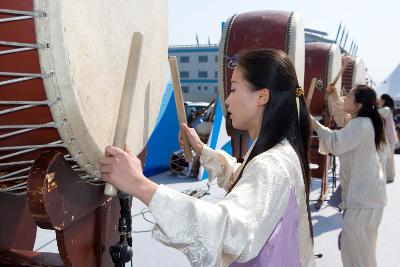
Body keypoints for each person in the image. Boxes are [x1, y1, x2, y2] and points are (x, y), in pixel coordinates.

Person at [100, 48, 315, 266]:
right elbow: (244, 179)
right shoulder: (281, 152)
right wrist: (202, 150)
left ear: (262, 96)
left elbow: (226, 230)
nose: (227, 100)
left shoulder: (271, 165)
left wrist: (139, 184)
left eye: (233, 89)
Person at [311, 84, 387, 267]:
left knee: (356, 255)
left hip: (364, 200)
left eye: (349, 96)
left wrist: (311, 122)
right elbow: (340, 116)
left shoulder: (360, 124)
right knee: (361, 252)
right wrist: (334, 95)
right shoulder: (363, 122)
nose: (345, 98)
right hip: (369, 198)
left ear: (359, 105)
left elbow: (335, 142)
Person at [378, 93, 398, 182]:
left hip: (388, 137)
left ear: (384, 101)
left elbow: (377, 113)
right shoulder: (388, 109)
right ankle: (390, 176)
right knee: (389, 157)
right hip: (390, 137)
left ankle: (389, 176)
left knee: (388, 158)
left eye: (380, 99)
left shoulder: (386, 109)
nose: (378, 101)